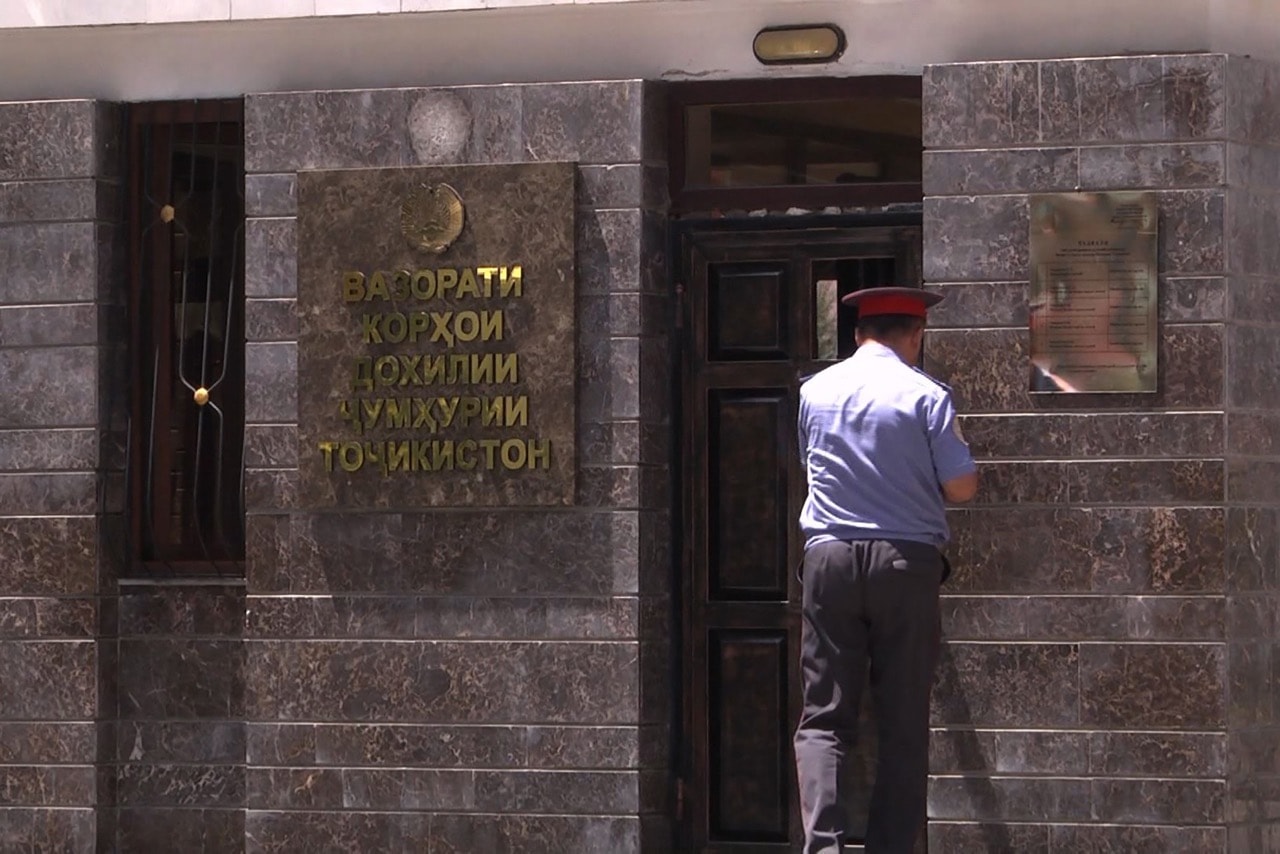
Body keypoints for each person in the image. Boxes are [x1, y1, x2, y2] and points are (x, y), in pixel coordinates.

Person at [794, 286, 978, 854]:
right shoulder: (926, 396)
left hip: (828, 560)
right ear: (916, 336)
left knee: (824, 718)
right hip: (904, 564)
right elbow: (961, 488)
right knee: (902, 722)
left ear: (857, 336)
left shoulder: (815, 392)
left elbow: (810, 464)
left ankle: (822, 848)